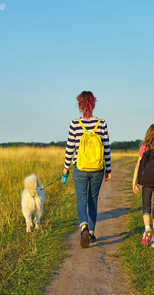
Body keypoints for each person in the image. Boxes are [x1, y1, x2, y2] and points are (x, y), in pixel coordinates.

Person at [63, 91, 112, 248]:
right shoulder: (101, 123)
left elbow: (70, 148)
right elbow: (106, 148)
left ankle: (83, 226)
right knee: (93, 200)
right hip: (97, 168)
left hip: (80, 167)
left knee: (81, 199)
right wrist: (108, 169)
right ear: (93, 104)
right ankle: (91, 233)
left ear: (80, 105)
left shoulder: (75, 124)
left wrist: (65, 169)